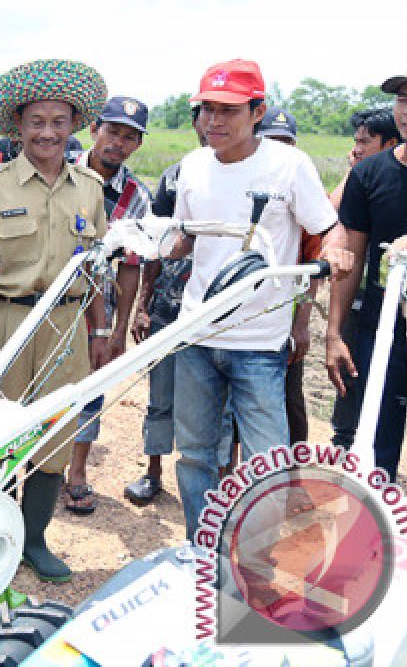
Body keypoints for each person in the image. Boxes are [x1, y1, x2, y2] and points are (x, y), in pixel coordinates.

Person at [170, 59, 342, 538]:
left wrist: (337, 251)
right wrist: (154, 242)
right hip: (197, 332)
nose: (214, 122)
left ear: (258, 111)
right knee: (198, 453)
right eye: (206, 110)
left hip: (260, 343)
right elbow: (184, 240)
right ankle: (201, 546)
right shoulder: (192, 166)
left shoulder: (289, 166)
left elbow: (326, 229)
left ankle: (261, 556)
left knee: (267, 461)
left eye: (228, 110)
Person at [0, 59, 111, 582]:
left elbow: (95, 267)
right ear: (18, 127)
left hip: (66, 328)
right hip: (8, 322)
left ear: (73, 126)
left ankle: (34, 539)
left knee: (55, 435)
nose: (48, 132)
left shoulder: (90, 189)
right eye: (36, 122)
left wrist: (100, 331)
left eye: (58, 121)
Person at [325, 62, 407, 479]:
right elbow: (350, 255)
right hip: (382, 327)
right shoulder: (370, 173)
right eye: (404, 99)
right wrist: (333, 333)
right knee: (374, 441)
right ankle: (377, 534)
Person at [64, 96, 152, 514]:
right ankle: (21, 466)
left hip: (99, 304)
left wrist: (119, 329)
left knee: (91, 385)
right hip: (49, 298)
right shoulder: (60, 166)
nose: (118, 143)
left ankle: (76, 471)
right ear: (95, 129)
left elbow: (131, 265)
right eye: (113, 131)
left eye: (130, 137)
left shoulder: (135, 196)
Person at [125, 106, 207, 505]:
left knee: (216, 407)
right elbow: (155, 242)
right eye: (204, 116)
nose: (212, 124)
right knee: (161, 395)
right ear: (195, 123)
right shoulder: (177, 174)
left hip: (218, 310)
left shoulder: (250, 176)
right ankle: (153, 472)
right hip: (169, 305)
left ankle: (216, 486)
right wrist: (143, 302)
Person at [328, 108, 399, 448]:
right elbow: (332, 213)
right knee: (352, 370)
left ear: (391, 143)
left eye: (365, 142)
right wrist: (352, 170)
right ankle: (346, 440)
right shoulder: (363, 176)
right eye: (354, 141)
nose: (356, 148)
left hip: (388, 294)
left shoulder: (397, 181)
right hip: (356, 294)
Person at [255, 107, 322, 445]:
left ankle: (292, 478)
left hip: (283, 318)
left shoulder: (302, 196)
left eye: (287, 143)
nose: (280, 150)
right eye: (271, 142)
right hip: (238, 315)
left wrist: (301, 323)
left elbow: (315, 270)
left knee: (289, 399)